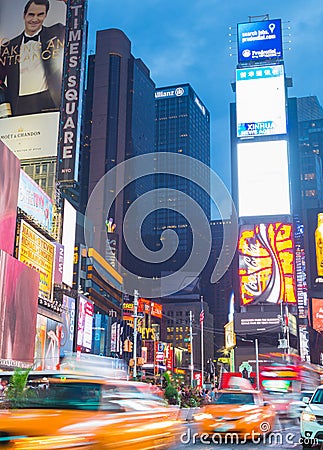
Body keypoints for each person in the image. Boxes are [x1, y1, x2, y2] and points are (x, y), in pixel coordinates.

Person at [0, 0, 65, 116]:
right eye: (31, 14)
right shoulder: (9, 46)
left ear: (45, 15)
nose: (35, 19)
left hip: (49, 100)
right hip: (18, 102)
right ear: (24, 15)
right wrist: (4, 107)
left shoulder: (56, 32)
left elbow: (75, 26)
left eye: (40, 14)